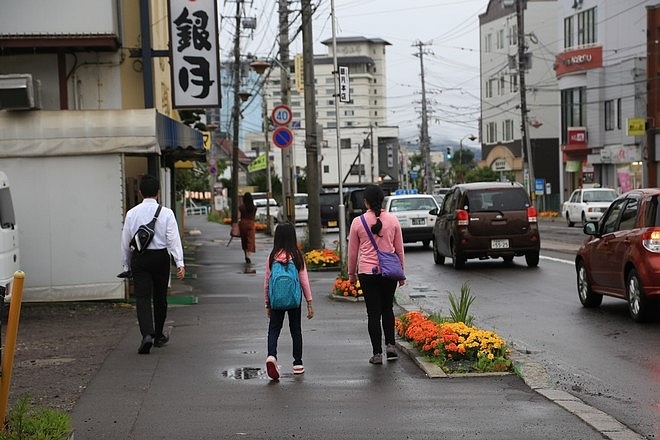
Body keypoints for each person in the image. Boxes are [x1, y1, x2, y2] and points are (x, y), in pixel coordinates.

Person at [120, 175, 185, 354]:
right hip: (160, 258)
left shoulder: (132, 213)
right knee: (159, 297)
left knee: (142, 298)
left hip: (140, 259)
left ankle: (146, 334)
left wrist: (126, 265)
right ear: (158, 192)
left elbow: (126, 241)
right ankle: (158, 335)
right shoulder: (167, 213)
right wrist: (179, 262)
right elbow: (173, 239)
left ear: (140, 192)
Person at [347, 184, 405, 365]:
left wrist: (351, 274)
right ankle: (391, 346)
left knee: (373, 314)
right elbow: (399, 250)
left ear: (366, 202)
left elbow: (352, 252)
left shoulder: (358, 222)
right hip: (389, 273)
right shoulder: (393, 220)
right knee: (388, 309)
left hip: (367, 273)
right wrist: (401, 273)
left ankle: (377, 354)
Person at [263, 222, 314, 380]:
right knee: (296, 330)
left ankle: (272, 356)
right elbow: (304, 281)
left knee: (273, 330)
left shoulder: (272, 257)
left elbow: (267, 282)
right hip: (294, 300)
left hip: (276, 300)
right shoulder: (297, 256)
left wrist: (267, 302)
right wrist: (309, 302)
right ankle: (297, 363)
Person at [238, 192, 257, 264]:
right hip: (251, 224)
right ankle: (249, 255)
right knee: (250, 240)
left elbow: (239, 216)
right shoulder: (254, 208)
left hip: (243, 224)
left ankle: (245, 254)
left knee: (244, 240)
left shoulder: (241, 207)